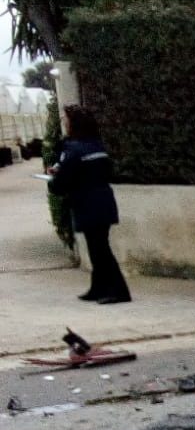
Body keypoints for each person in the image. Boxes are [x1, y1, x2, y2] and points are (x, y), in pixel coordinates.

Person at [48, 105, 131, 304]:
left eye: (65, 120)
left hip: (87, 203)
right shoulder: (96, 146)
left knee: (100, 249)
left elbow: (63, 180)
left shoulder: (73, 149)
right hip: (103, 201)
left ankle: (119, 291)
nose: (64, 123)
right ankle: (99, 287)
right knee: (98, 247)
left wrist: (54, 180)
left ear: (73, 123)